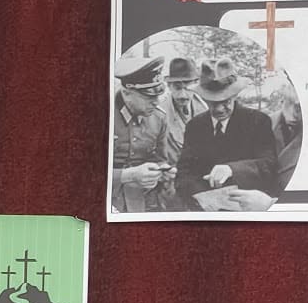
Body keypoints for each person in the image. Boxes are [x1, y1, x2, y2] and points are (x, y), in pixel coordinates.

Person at [174, 64, 280, 206]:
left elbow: (268, 165)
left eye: (226, 102)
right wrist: (200, 198)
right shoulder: (194, 126)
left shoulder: (257, 121)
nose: (219, 109)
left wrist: (232, 169)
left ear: (235, 95)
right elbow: (183, 173)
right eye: (212, 102)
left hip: (247, 207)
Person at [110, 58, 175, 213]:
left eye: (158, 95)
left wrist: (163, 171)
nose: (156, 102)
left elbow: (160, 159)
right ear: (127, 93)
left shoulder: (159, 118)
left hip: (141, 203)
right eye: (149, 97)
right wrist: (128, 175)